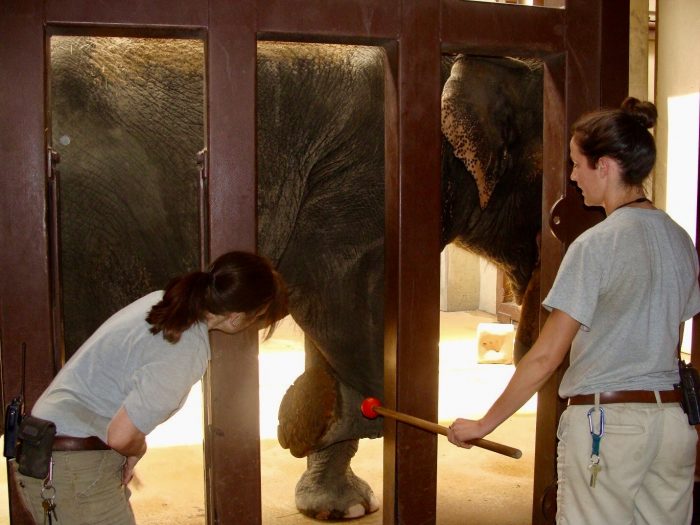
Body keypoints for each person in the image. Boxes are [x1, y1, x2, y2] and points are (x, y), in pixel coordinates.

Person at [447, 97, 700, 524]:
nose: (573, 176)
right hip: (672, 428)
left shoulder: (596, 245)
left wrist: (484, 424)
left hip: (609, 429)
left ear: (605, 166)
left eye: (577, 163)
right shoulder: (679, 240)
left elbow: (546, 355)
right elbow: (671, 341)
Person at [14, 250, 287, 524]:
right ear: (237, 317)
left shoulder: (163, 303)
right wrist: (136, 450)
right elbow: (121, 436)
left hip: (49, 451)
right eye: (259, 316)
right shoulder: (186, 346)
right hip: (72, 468)